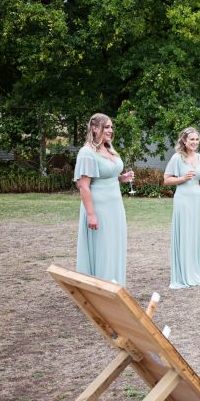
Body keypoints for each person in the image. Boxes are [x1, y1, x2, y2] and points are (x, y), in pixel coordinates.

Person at [74, 113, 135, 286]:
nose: (110, 130)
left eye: (111, 127)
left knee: (114, 246)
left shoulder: (109, 149)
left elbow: (105, 176)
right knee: (103, 249)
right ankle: (101, 287)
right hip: (99, 208)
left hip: (115, 206)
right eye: (106, 127)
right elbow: (83, 186)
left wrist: (122, 178)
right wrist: (91, 214)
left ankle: (115, 285)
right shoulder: (87, 152)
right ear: (94, 128)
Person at [163, 127, 200, 289]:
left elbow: (199, 180)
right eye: (191, 139)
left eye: (196, 139)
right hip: (183, 199)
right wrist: (182, 178)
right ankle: (183, 273)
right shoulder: (177, 158)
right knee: (185, 233)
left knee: (194, 234)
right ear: (184, 141)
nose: (194, 142)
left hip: (197, 199)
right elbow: (166, 180)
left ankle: (196, 270)